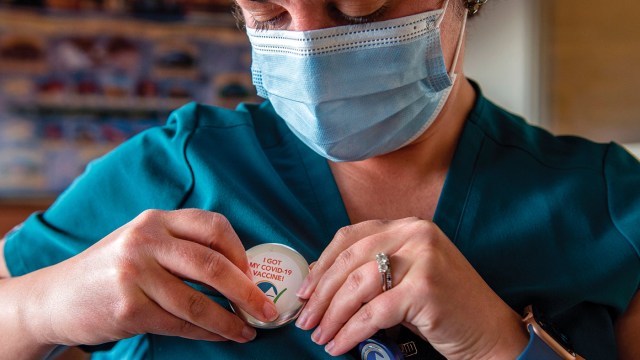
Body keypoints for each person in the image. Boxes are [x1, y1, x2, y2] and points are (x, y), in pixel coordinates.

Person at [0, 0, 638, 359]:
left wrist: (501, 343)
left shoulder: (610, 204)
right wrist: (43, 304)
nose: (308, 51)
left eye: (358, 12)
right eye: (271, 16)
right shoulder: (176, 167)